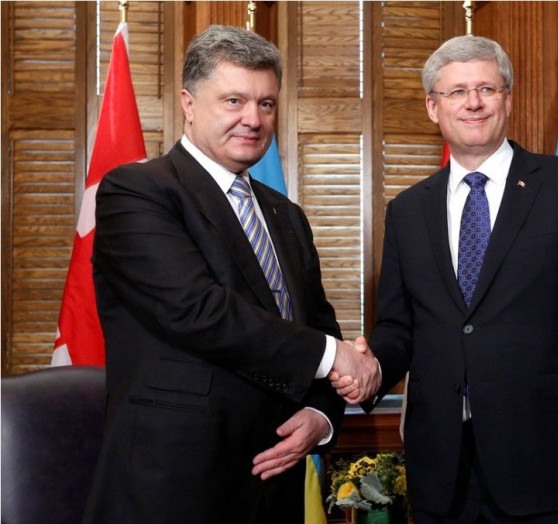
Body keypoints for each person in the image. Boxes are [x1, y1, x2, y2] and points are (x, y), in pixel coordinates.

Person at [334, 35, 558, 523]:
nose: (472, 103)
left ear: (508, 99)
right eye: (456, 92)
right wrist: (369, 369)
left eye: (486, 89)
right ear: (434, 107)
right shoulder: (408, 210)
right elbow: (399, 327)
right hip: (443, 469)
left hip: (550, 463)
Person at [84, 25, 378, 523]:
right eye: (234, 100)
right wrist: (337, 358)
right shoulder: (137, 192)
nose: (253, 119)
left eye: (266, 104)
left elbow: (316, 328)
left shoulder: (285, 214)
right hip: (176, 483)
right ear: (189, 103)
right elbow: (198, 310)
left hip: (274, 482)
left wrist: (322, 415)